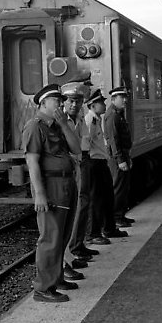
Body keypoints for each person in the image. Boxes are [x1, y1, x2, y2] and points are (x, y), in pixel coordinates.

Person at [22, 84, 82, 302]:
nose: (61, 103)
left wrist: (65, 124)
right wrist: (39, 194)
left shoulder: (58, 125)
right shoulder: (35, 126)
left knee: (63, 235)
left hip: (66, 183)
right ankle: (43, 288)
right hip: (52, 186)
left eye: (60, 99)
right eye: (56, 99)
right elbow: (33, 163)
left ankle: (56, 278)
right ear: (43, 103)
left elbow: (76, 149)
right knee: (50, 237)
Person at [60, 72, 99, 277]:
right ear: (63, 101)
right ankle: (64, 262)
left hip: (78, 165)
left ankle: (72, 254)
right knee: (66, 215)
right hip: (67, 170)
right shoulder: (60, 121)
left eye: (78, 100)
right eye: (70, 100)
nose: (74, 104)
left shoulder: (78, 119)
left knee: (78, 208)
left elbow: (82, 144)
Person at [85, 89, 128, 244]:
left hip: (102, 161)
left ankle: (109, 228)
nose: (104, 104)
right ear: (93, 105)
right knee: (95, 199)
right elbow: (86, 146)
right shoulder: (89, 121)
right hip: (93, 163)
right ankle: (93, 234)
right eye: (101, 102)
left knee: (107, 196)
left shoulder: (98, 119)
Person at [104, 87, 135, 228]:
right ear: (113, 99)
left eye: (125, 97)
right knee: (118, 187)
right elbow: (113, 140)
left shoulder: (118, 114)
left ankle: (121, 215)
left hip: (123, 154)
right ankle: (116, 217)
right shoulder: (112, 115)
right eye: (122, 98)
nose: (125, 100)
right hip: (117, 158)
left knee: (124, 187)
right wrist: (120, 159)